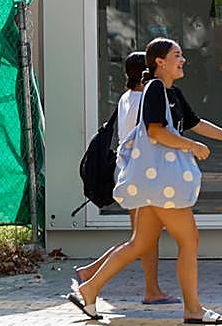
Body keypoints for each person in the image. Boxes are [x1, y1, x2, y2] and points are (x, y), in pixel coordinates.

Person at [67, 37, 222, 325]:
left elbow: (196, 122)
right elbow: (155, 133)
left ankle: (89, 290)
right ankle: (193, 309)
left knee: (140, 243)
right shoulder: (154, 89)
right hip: (163, 184)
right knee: (189, 240)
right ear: (159, 62)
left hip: (157, 183)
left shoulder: (170, 92)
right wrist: (190, 146)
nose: (184, 59)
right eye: (177, 55)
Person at [71, 52, 175, 305]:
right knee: (145, 238)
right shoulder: (145, 99)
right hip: (143, 174)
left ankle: (91, 272)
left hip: (129, 172)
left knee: (141, 237)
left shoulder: (127, 97)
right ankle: (151, 291)